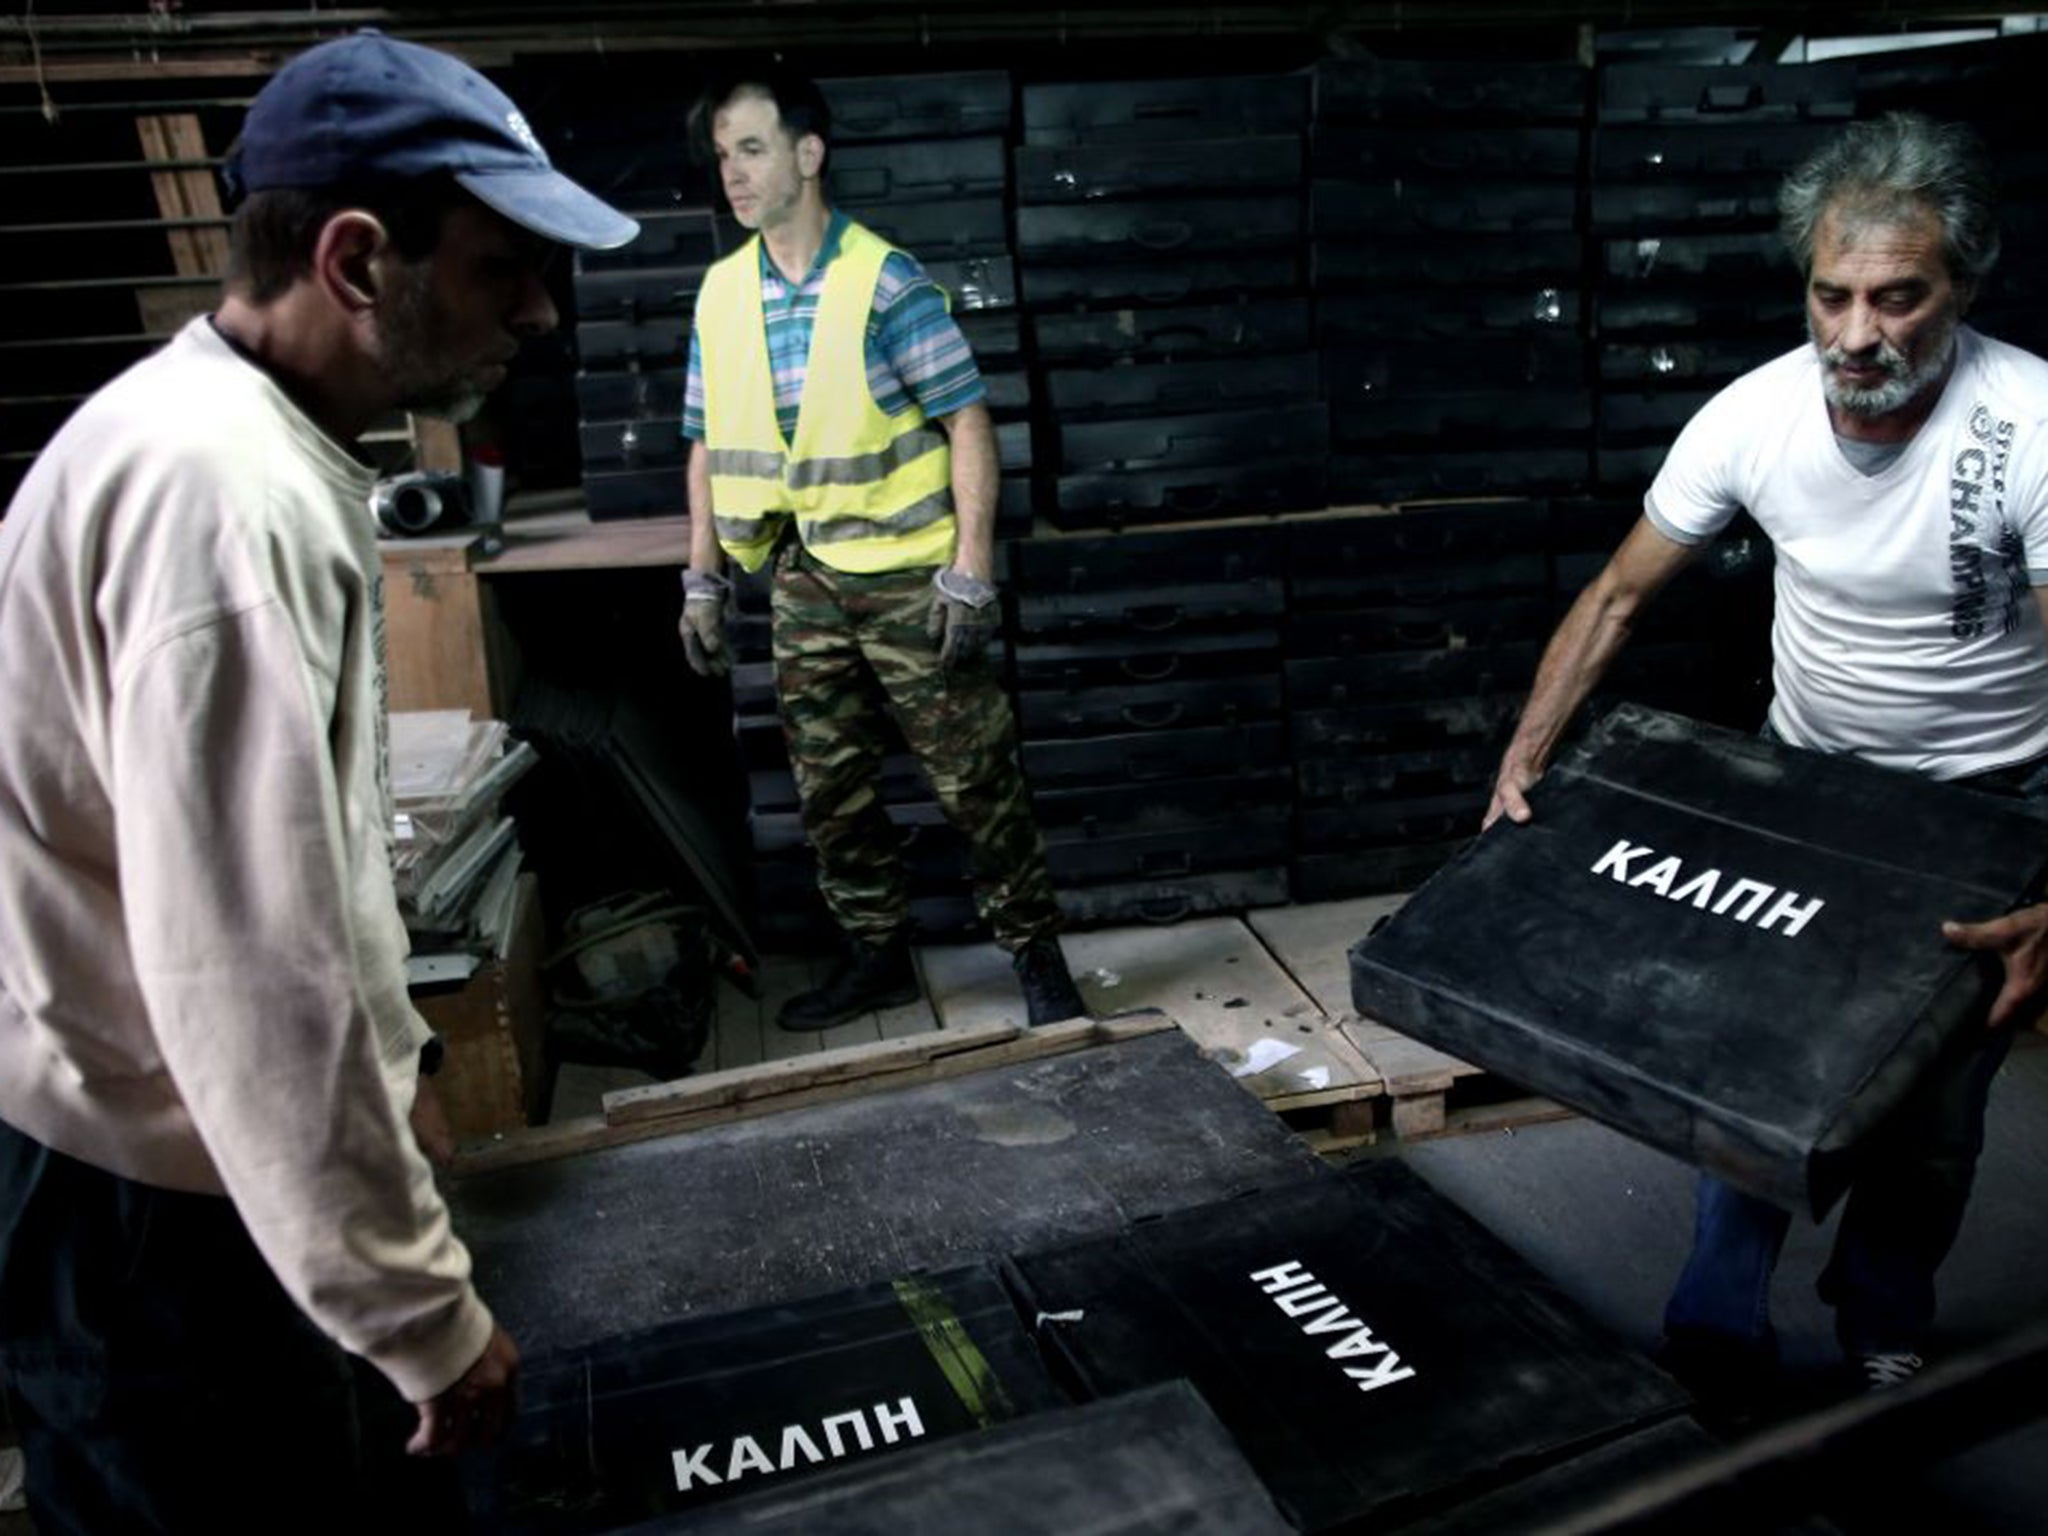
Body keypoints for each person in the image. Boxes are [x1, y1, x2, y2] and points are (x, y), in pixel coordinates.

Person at [0, 30, 638, 1530]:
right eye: (503, 270)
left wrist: (397, 1056)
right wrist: (424, 1320)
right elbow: (245, 975)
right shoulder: (221, 512)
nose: (539, 315)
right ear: (357, 259)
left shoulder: (248, 448)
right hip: (151, 1211)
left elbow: (308, 856)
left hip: (192, 1163)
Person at [1487, 111, 2048, 1409]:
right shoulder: (1751, 416)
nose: (1859, 336)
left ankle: (1881, 1318)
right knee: (1752, 1063)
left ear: (1962, 285)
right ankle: (1715, 1324)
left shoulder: (2029, 426)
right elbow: (1620, 597)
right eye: (1832, 295)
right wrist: (1524, 760)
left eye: (1899, 298)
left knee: (1934, 1104)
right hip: (1806, 777)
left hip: (1988, 800)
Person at [676, 67, 1087, 1031]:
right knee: (832, 794)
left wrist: (972, 567)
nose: (731, 174)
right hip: (800, 579)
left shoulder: (883, 281)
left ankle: (1037, 960)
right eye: (722, 155)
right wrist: (701, 575)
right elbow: (703, 439)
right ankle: (879, 959)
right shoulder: (721, 292)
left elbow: (968, 423)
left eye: (751, 149)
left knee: (975, 781)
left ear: (807, 156)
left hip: (910, 576)